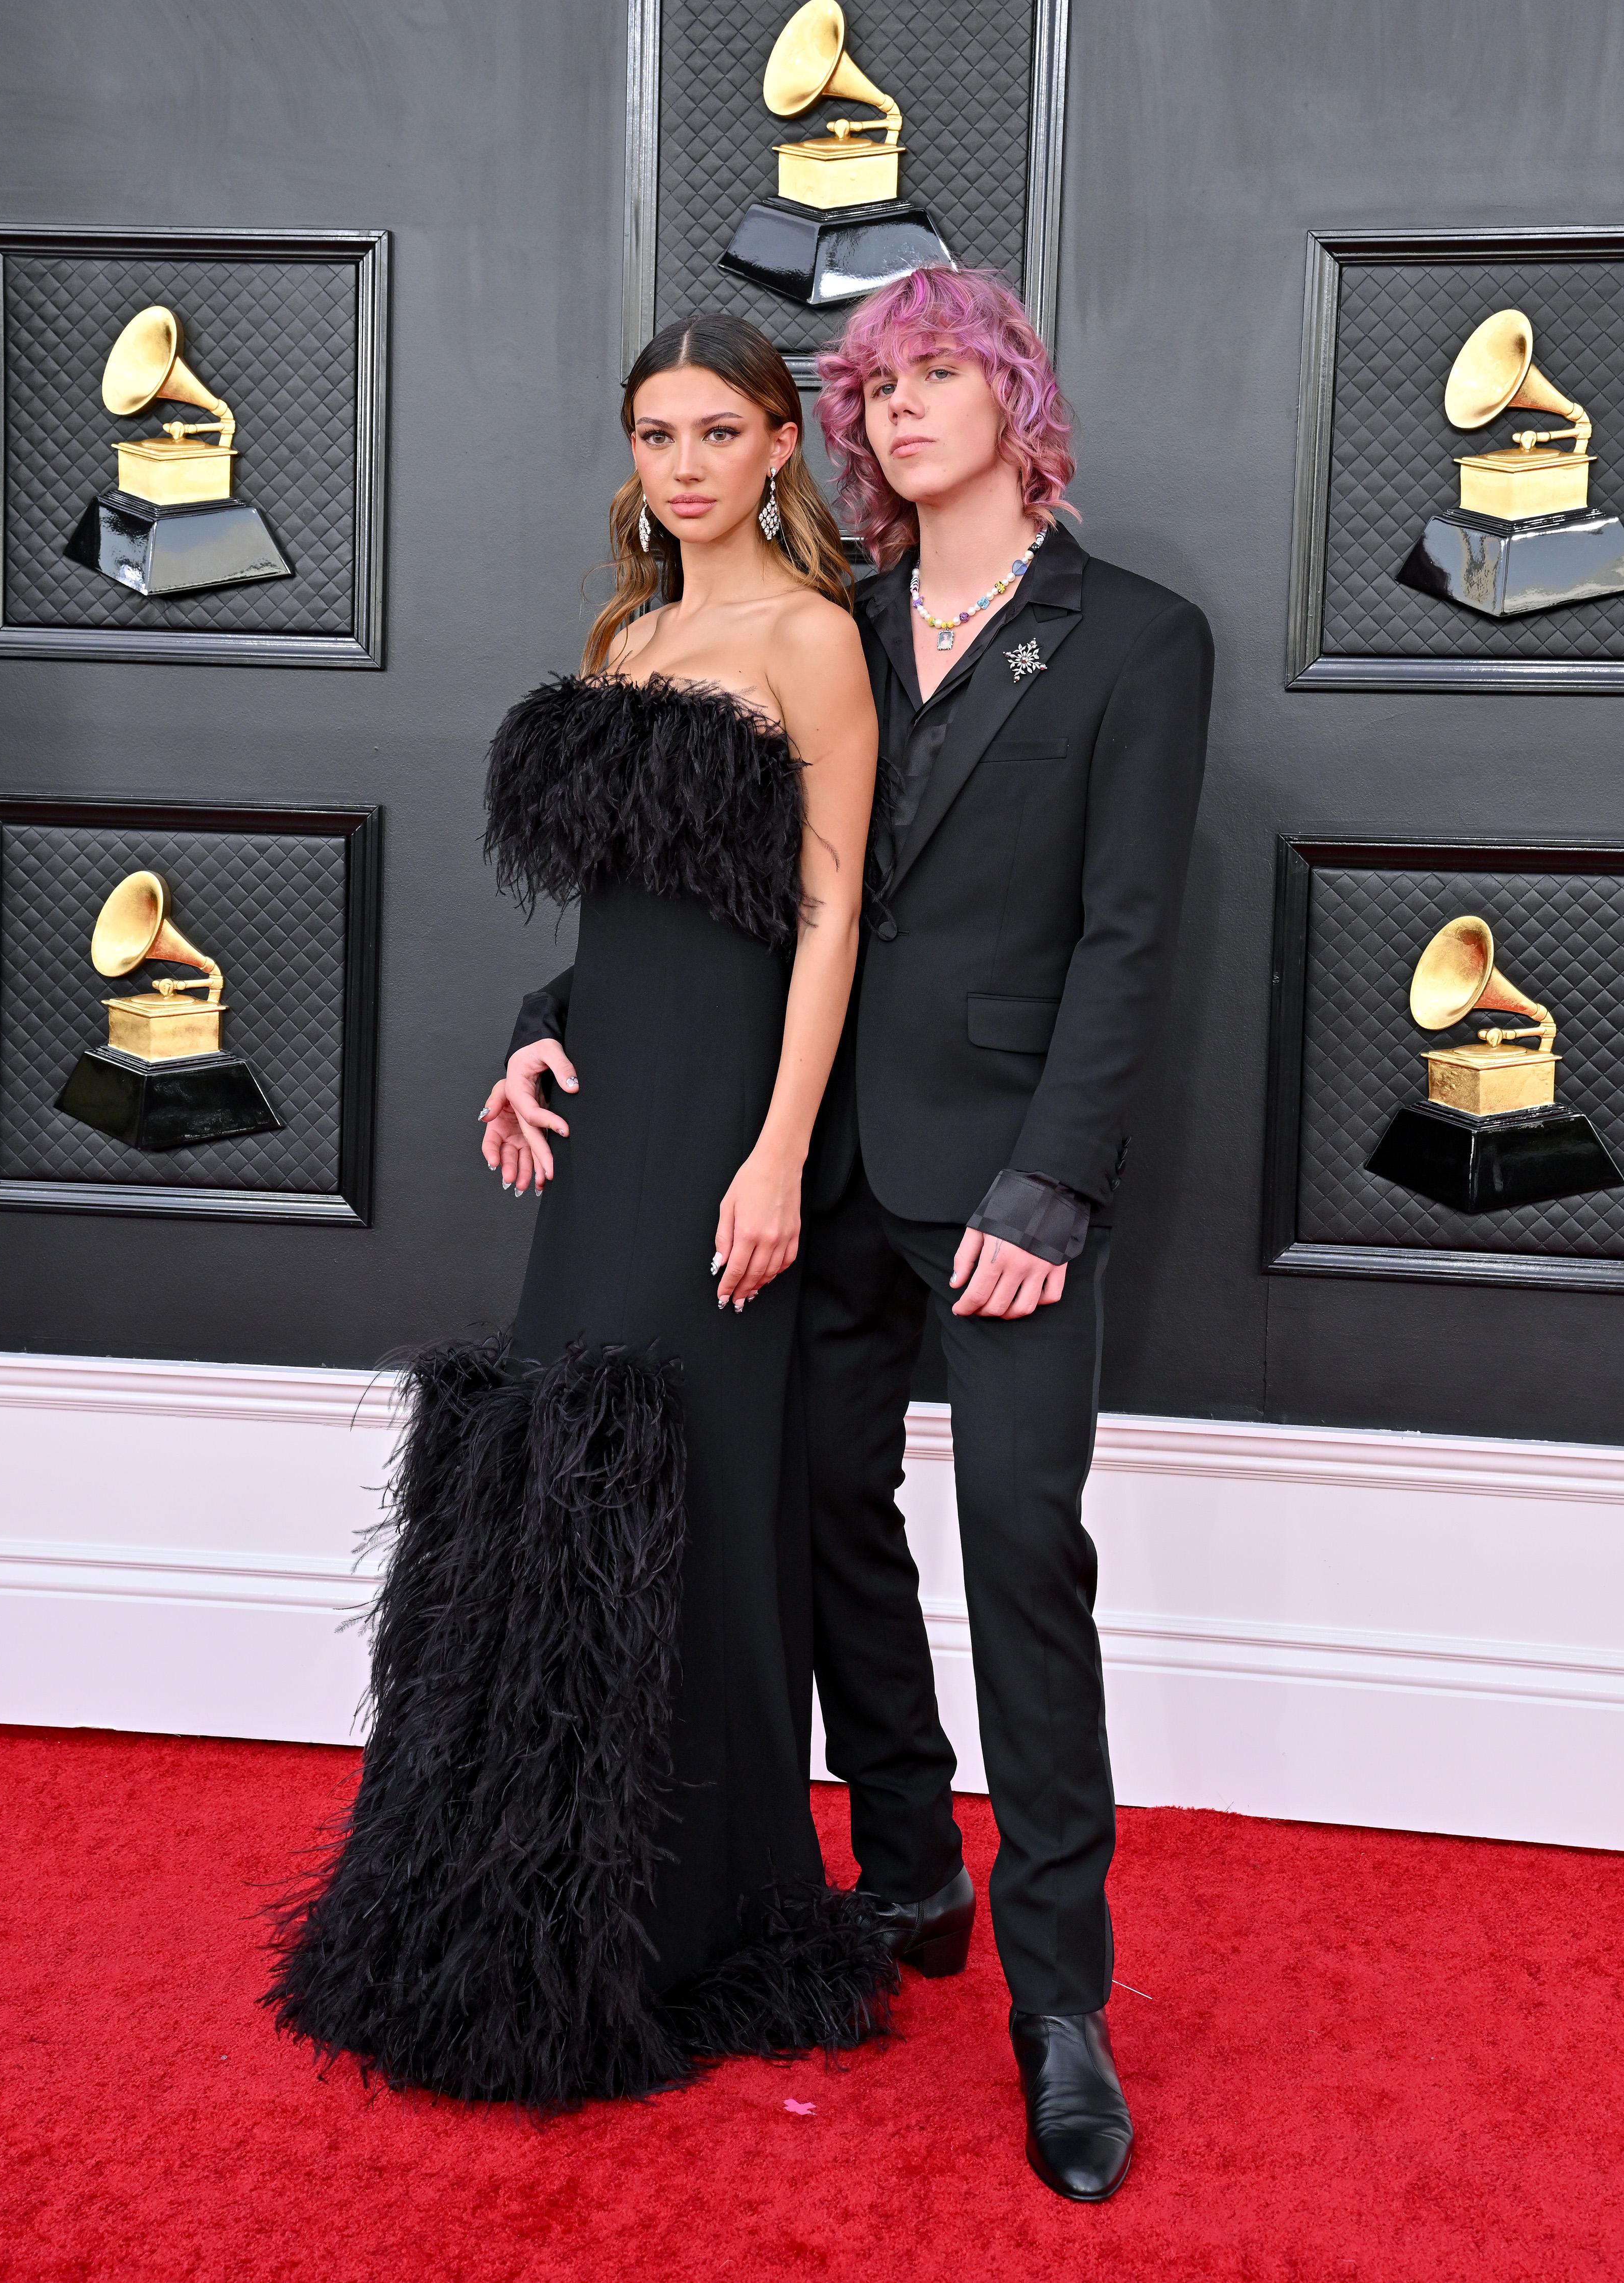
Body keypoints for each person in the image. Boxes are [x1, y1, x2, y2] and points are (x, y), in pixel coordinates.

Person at [266, 312, 895, 2107]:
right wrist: (533, 1045)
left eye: (718, 429)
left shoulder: (813, 642)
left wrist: (776, 1152)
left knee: (693, 1480)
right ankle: (528, 1901)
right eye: (655, 431)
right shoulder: (629, 632)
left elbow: (829, 920)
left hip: (727, 1122)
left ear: (783, 446)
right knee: (564, 1476)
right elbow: (629, 915)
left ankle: (698, 1917)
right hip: (610, 1101)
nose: (683, 462)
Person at [800, 267, 1215, 2202]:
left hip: (1011, 1182)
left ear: (1015, 395)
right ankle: (908, 1866)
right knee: (817, 1504)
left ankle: (1063, 2005)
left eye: (935, 373)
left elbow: (1130, 937)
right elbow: (748, 887)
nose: (897, 410)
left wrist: (1054, 1186)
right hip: (826, 1166)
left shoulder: (1137, 639)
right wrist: (561, 1020)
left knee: (1023, 1560)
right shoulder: (836, 626)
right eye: (874, 387)